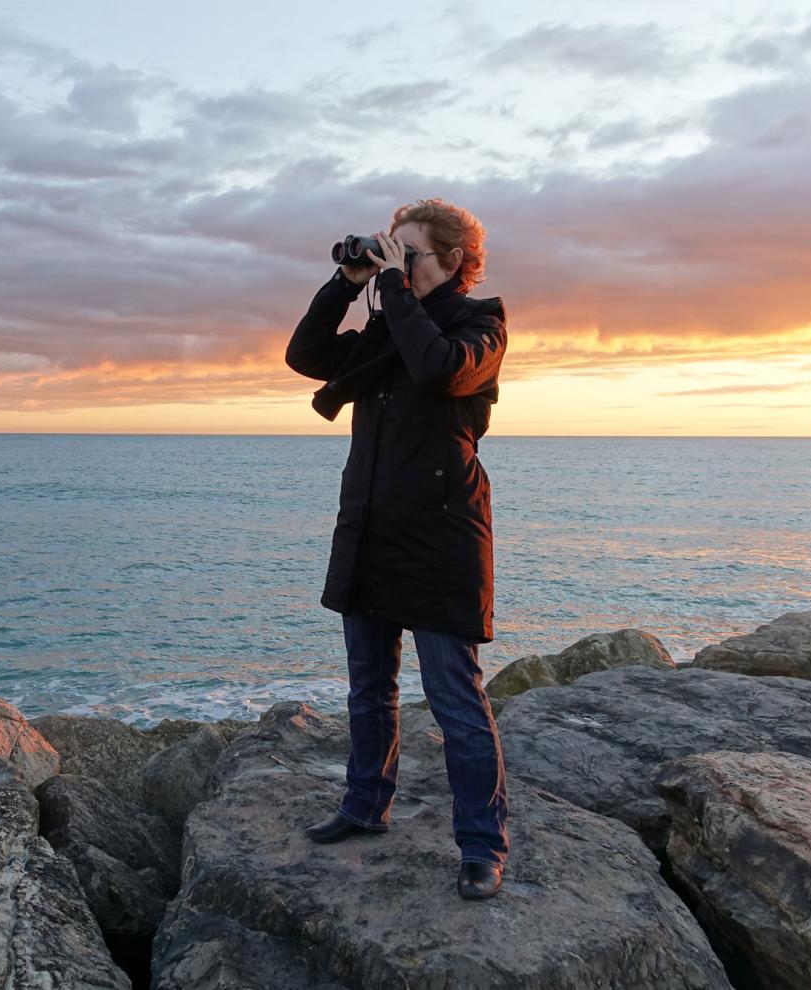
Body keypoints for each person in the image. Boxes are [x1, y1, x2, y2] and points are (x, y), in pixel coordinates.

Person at [284, 198, 510, 900]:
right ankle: (363, 806)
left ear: (453, 261)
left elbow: (439, 369)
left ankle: (481, 845)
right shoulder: (387, 326)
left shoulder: (481, 327)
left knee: (454, 700)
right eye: (392, 250)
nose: (396, 264)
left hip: (442, 540)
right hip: (372, 531)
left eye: (408, 254)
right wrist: (349, 281)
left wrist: (390, 291)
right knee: (368, 691)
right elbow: (306, 355)